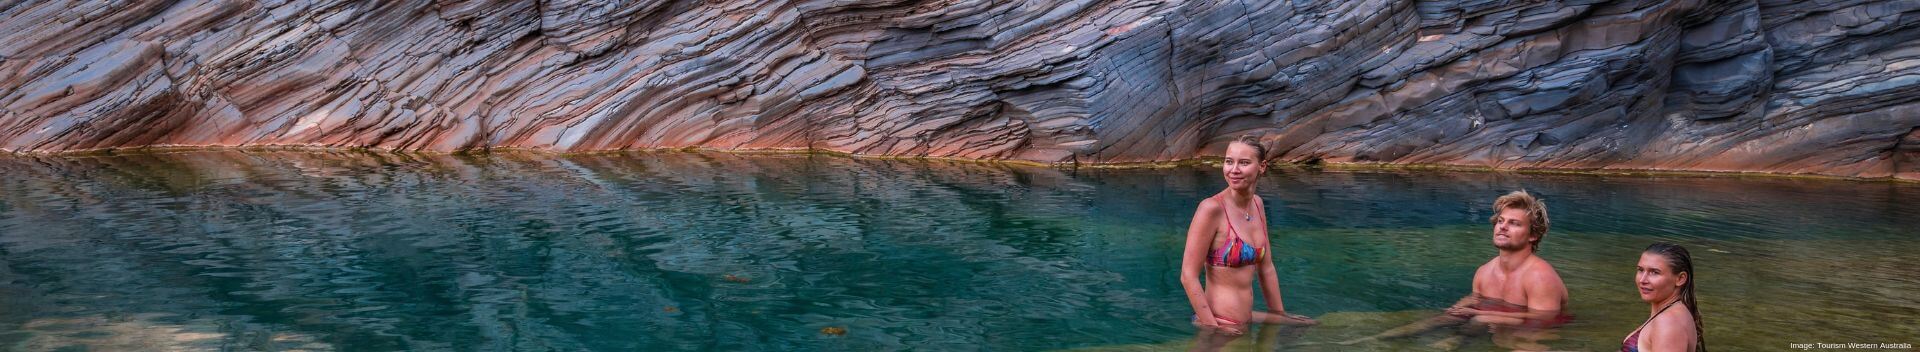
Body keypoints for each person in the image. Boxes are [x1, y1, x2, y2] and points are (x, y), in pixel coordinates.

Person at [1342, 190, 1569, 349]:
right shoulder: (1484, 271)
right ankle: (1380, 338)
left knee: (1478, 319)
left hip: (1529, 340)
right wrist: (1461, 307)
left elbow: (1545, 321)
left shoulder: (1539, 277)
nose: (1503, 227)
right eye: (1500, 221)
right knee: (1445, 317)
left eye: (1514, 223)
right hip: (1495, 330)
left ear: (1533, 235)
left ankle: (1453, 343)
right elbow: (1477, 298)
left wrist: (1481, 314)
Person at [1180, 135, 1316, 338]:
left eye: (1243, 163)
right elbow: (1188, 276)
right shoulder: (1211, 209)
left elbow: (1266, 267)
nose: (1233, 170)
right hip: (1219, 323)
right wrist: (1212, 328)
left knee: (1311, 325)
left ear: (1262, 166)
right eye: (1228, 161)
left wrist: (1279, 315)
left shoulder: (1258, 205)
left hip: (1246, 321)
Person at [1624, 243, 1705, 352]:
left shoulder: (1668, 323)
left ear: (1680, 279)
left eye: (1654, 272)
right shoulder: (1673, 311)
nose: (1642, 280)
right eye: (1640, 270)